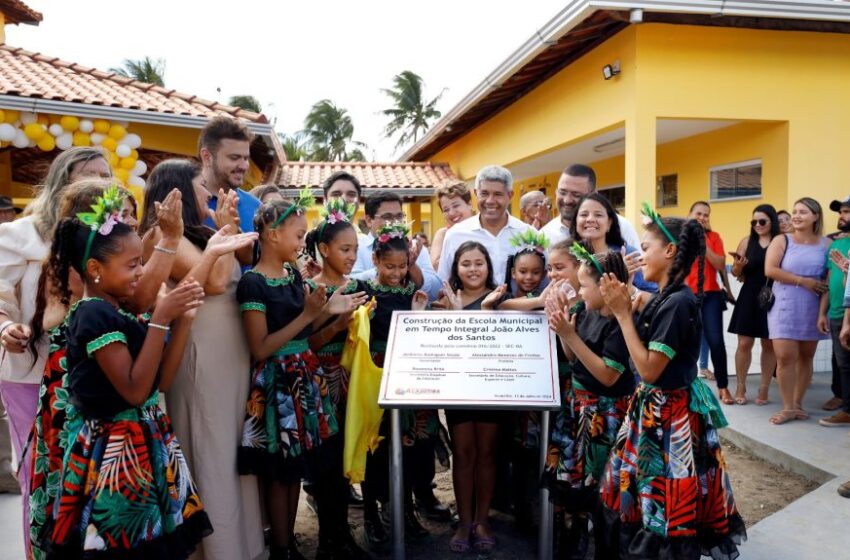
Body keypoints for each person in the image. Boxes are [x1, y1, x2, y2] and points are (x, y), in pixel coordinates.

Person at [38, 188, 212, 557]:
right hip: (114, 454)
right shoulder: (93, 314)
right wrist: (161, 318)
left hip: (144, 442)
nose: (140, 273)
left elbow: (159, 383)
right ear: (95, 269)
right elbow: (134, 391)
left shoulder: (116, 311)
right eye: (132, 265)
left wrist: (182, 323)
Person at [598, 204, 746, 558]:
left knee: (663, 503)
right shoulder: (667, 295)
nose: (640, 254)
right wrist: (626, 298)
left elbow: (649, 370)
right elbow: (641, 306)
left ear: (670, 251)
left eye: (645, 248)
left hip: (667, 419)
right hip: (654, 411)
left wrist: (622, 314)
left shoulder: (678, 303)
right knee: (646, 494)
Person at [138, 159, 265, 560]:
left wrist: (225, 230)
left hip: (229, 352)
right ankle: (218, 550)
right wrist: (225, 231)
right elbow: (211, 282)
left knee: (230, 448)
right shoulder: (160, 234)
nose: (209, 193)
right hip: (198, 355)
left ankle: (242, 545)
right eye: (200, 186)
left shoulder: (201, 231)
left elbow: (238, 266)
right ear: (176, 190)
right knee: (210, 445)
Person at [236, 193, 365, 560]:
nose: (301, 243)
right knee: (279, 473)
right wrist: (312, 314)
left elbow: (303, 332)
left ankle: (288, 540)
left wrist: (331, 311)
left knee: (295, 470)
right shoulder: (253, 284)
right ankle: (279, 547)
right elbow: (260, 348)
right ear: (273, 235)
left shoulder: (292, 274)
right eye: (297, 235)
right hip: (276, 382)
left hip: (303, 377)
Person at [0, 147, 111, 552]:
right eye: (85, 177)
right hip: (31, 376)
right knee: (42, 474)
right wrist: (7, 326)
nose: (96, 186)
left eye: (104, 176)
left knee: (89, 478)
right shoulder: (20, 236)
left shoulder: (111, 238)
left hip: (96, 377)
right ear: (59, 183)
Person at [544, 247, 635, 559]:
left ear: (606, 285)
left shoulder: (621, 325)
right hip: (578, 409)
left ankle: (607, 548)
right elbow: (574, 359)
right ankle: (576, 537)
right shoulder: (584, 312)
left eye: (584, 285)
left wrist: (572, 335)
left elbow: (609, 375)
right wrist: (563, 330)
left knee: (603, 488)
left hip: (606, 415)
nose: (579, 291)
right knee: (575, 487)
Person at [303, 199, 372, 559]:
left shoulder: (358, 286)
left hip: (352, 384)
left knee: (347, 459)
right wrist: (338, 324)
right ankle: (330, 540)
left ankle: (343, 535)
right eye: (345, 249)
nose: (351, 256)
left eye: (356, 249)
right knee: (326, 465)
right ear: (325, 249)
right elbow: (309, 341)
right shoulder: (311, 291)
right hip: (320, 386)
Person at [358, 222, 431, 548]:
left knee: (408, 443)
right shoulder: (363, 291)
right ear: (375, 260)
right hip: (374, 375)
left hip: (406, 374)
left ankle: (405, 508)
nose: (397, 273)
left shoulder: (407, 292)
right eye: (390, 266)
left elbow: (415, 329)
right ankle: (372, 511)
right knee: (377, 446)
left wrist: (417, 311)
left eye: (402, 266)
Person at [438, 242, 504, 553]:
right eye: (466, 264)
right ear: (456, 268)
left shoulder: (500, 297)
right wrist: (452, 312)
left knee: (488, 453)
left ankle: (482, 520)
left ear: (489, 266)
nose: (473, 269)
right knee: (463, 453)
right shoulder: (448, 299)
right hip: (458, 386)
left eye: (479, 263)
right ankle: (464, 521)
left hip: (492, 386)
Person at [765, 197, 829, 425]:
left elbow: (827, 283)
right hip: (784, 305)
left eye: (803, 211)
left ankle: (798, 403)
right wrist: (803, 281)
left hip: (812, 308)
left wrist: (823, 313)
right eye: (795, 211)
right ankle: (787, 407)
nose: (797, 215)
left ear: (816, 216)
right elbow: (770, 270)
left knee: (806, 356)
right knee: (785, 357)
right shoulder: (782, 240)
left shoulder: (826, 245)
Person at [438, 165, 535, 284]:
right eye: (484, 193)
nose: (490, 201)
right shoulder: (455, 235)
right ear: (475, 193)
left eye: (497, 194)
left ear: (510, 196)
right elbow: (443, 284)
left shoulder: (529, 235)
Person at [728, 204, 779, 405]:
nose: (757, 225)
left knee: (769, 344)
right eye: (754, 221)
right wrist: (738, 267)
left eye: (762, 221)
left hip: (773, 297)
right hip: (749, 296)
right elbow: (735, 273)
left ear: (771, 221)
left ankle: (764, 387)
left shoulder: (780, 241)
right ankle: (741, 385)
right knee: (744, 344)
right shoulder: (747, 241)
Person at [352, 191, 440, 300]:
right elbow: (350, 284)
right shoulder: (356, 247)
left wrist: (412, 267)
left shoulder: (415, 248)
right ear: (369, 220)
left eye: (399, 216)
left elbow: (436, 292)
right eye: (387, 217)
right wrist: (384, 269)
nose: (395, 223)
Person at [685, 201, 732, 404]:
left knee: (716, 341)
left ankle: (723, 387)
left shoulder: (714, 237)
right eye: (698, 213)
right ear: (690, 214)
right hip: (686, 296)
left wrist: (702, 240)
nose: (702, 217)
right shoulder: (680, 236)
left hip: (710, 295)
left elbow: (720, 264)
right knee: (685, 342)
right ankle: (684, 386)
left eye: (706, 214)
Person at [198, 116, 261, 266]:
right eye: (234, 158)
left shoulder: (256, 206)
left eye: (246, 158)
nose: (244, 166)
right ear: (207, 157)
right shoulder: (185, 203)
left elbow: (259, 260)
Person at [570, 192, 656, 293]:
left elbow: (654, 297)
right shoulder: (567, 256)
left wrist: (624, 281)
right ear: (576, 221)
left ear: (609, 223)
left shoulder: (628, 255)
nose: (590, 219)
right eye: (584, 214)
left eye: (598, 215)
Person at [540, 164, 640, 248]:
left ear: (594, 195)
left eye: (576, 195)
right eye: (562, 192)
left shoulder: (621, 226)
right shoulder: (544, 236)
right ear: (556, 192)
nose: (567, 200)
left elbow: (639, 266)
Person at [818, 197, 850, 427]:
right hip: (837, 314)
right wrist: (823, 313)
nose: (842, 216)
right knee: (844, 365)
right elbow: (830, 282)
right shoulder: (835, 245)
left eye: (847, 212)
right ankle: (847, 410)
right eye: (841, 212)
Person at [430, 181, 474, 271]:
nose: (451, 213)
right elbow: (435, 266)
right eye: (446, 210)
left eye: (456, 206)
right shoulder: (443, 234)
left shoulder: (483, 230)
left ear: (469, 204)